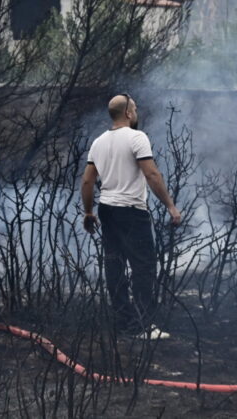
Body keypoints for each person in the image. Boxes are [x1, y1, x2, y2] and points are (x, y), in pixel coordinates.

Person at [80, 94, 182, 340]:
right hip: (132, 213)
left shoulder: (98, 142)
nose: (136, 113)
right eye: (134, 108)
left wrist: (89, 211)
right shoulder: (138, 137)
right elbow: (152, 174)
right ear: (127, 113)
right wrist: (170, 205)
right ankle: (144, 325)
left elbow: (87, 180)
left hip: (107, 210)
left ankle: (124, 321)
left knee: (114, 265)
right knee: (143, 267)